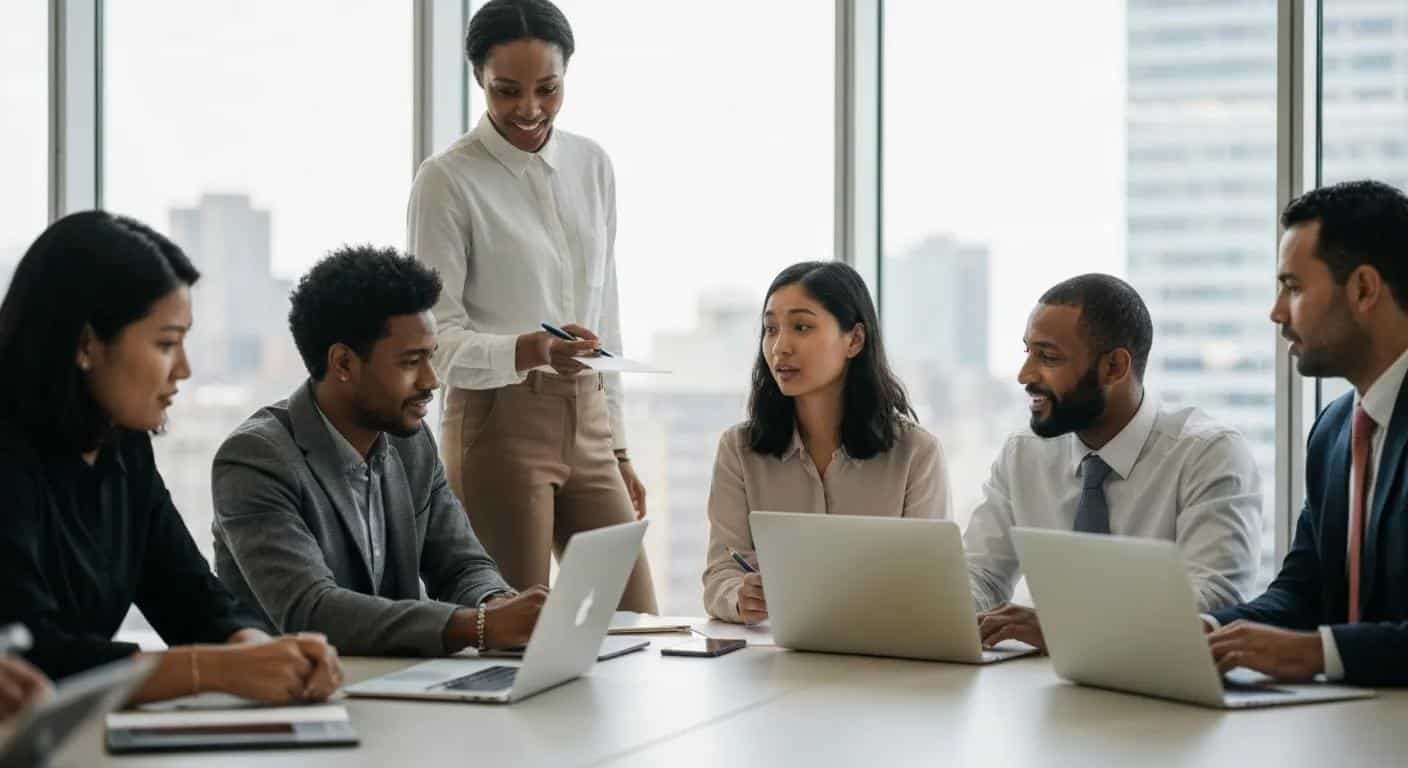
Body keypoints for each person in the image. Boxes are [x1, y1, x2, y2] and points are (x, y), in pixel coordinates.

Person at [0, 211, 341, 705]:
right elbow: (30, 660)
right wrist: (214, 669)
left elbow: (192, 596)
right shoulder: (10, 455)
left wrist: (262, 652)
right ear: (85, 343)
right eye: (166, 344)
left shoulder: (123, 445)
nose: (183, 369)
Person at [407, 0, 656, 612]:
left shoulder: (592, 165)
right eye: (506, 90)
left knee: (638, 624)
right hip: (498, 425)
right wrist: (535, 348)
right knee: (515, 634)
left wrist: (618, 446)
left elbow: (609, 313)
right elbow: (435, 339)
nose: (528, 108)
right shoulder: (447, 180)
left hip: (589, 419)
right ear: (478, 80)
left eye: (548, 88)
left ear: (567, 76)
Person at [212, 246, 546, 657]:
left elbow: (460, 564)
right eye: (411, 362)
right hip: (293, 700)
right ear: (344, 364)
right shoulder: (255, 459)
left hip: (391, 686)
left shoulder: (411, 442)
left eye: (431, 358)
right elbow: (312, 610)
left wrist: (495, 605)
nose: (431, 380)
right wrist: (476, 627)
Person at [968, 274, 1262, 651]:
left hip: (1159, 692)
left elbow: (1216, 600)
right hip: (1046, 687)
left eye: (1048, 357)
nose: (1025, 375)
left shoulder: (1208, 454)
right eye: (1027, 352)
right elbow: (981, 575)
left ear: (1114, 367)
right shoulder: (1023, 453)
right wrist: (952, 611)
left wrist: (1065, 627)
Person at [1205, 180, 1408, 685]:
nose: (1277, 312)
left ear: (1363, 289)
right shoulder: (1336, 429)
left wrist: (1318, 654)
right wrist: (1204, 630)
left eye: (1293, 288)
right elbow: (1301, 592)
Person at [702, 262, 952, 624]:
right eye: (770, 329)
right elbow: (721, 572)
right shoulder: (738, 449)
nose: (780, 347)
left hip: (881, 656)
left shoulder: (916, 453)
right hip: (776, 657)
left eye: (801, 327)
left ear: (854, 340)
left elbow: (930, 585)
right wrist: (739, 597)